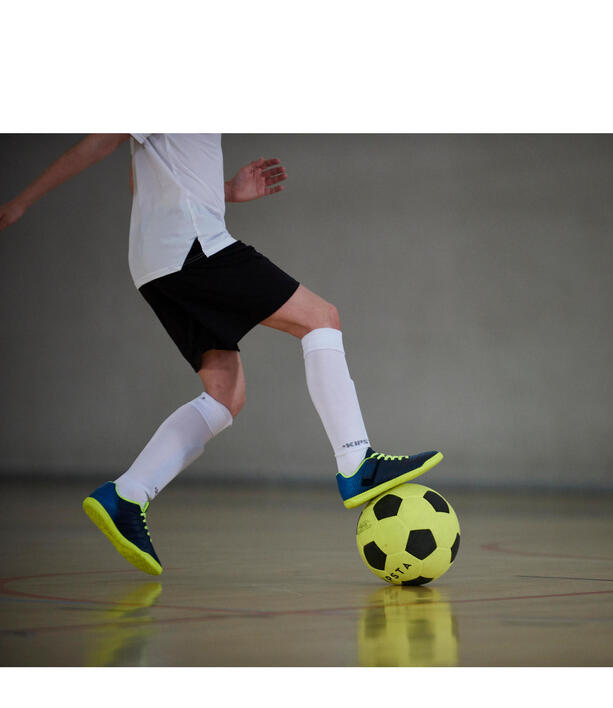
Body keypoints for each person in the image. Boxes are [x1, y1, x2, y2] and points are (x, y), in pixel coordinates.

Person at [0, 133, 442, 576]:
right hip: (193, 248)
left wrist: (224, 192)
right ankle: (356, 461)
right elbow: (103, 139)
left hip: (159, 264)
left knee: (225, 394)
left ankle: (127, 495)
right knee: (319, 317)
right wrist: (24, 201)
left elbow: (143, 180)